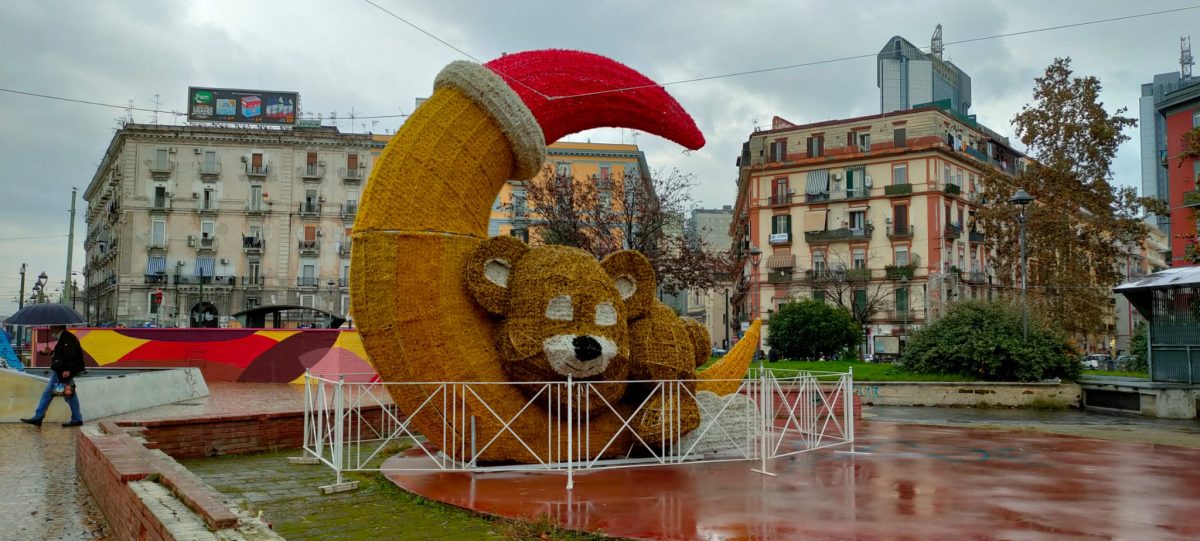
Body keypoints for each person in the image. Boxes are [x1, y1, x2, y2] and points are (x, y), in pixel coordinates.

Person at [21, 325, 84, 427]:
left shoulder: (68, 338)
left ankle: (76, 419)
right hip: (60, 372)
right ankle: (39, 417)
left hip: (63, 372)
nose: (50, 329)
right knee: (52, 394)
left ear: (58, 327)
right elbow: (62, 355)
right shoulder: (63, 337)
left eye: (52, 326)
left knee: (68, 395)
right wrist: (50, 352)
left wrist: (68, 370)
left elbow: (71, 355)